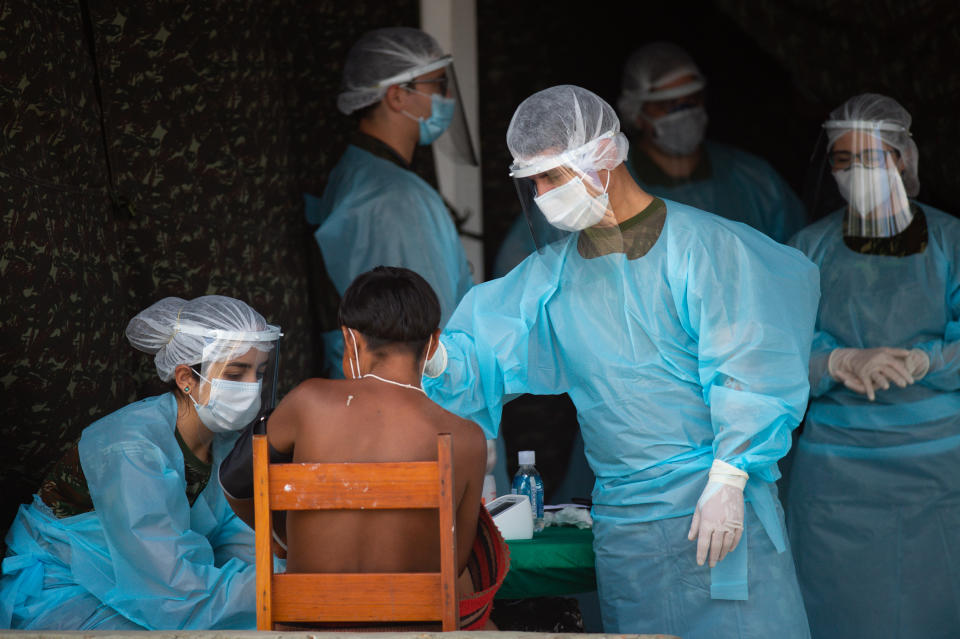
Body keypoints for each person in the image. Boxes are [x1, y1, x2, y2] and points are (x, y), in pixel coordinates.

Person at [422, 85, 818, 639]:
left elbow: (751, 371)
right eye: (531, 182)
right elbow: (479, 357)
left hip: (717, 507)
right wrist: (432, 354)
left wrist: (731, 476)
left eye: (551, 177)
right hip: (626, 529)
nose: (540, 195)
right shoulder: (554, 277)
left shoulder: (703, 250)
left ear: (604, 156)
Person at [219, 267, 506, 630]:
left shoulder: (308, 402)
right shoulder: (466, 438)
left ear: (350, 339)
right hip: (412, 629)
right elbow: (457, 561)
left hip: (308, 628)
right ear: (434, 344)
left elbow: (237, 481)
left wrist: (288, 540)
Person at [786, 94, 960, 638]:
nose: (857, 171)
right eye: (844, 160)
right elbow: (769, 356)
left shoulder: (952, 242)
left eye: (871, 156)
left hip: (940, 474)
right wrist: (834, 361)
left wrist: (925, 359)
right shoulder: (807, 251)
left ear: (902, 158)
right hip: (836, 480)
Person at [0, 296, 282, 630]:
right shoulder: (131, 447)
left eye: (260, 373)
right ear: (185, 378)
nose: (251, 388)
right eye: (235, 374)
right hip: (62, 590)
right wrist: (285, 588)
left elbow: (239, 540)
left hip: (141, 587)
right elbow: (173, 593)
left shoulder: (222, 446)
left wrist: (294, 575)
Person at [303, 27, 474, 379]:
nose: (446, 97)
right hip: (412, 412)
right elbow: (425, 339)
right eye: (437, 85)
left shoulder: (360, 175)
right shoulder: (395, 199)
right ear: (397, 96)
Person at [617, 41, 807, 244]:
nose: (684, 112)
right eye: (667, 104)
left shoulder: (755, 179)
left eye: (692, 99)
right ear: (636, 113)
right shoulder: (614, 186)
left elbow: (800, 255)